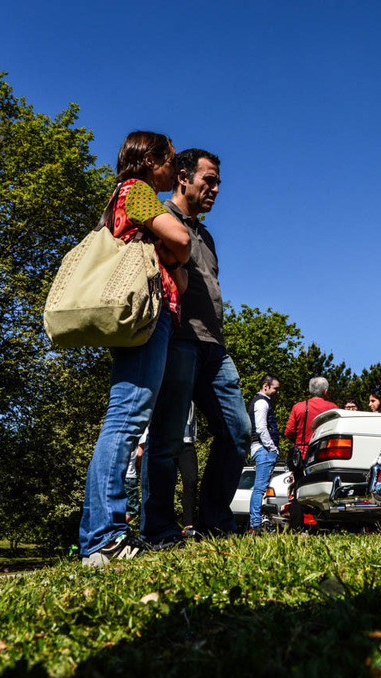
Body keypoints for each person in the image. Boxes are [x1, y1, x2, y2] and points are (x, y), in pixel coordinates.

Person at [78, 131, 191, 566]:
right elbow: (180, 244)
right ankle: (104, 537)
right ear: (149, 160)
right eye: (170, 161)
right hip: (146, 317)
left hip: (149, 316)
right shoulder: (139, 192)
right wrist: (171, 244)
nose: (175, 169)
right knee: (125, 417)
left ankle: (101, 534)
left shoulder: (131, 197)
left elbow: (179, 276)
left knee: (126, 415)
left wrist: (170, 251)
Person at [140, 149, 251, 543]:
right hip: (176, 341)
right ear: (183, 177)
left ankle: (215, 521)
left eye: (218, 182)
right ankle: (159, 528)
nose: (216, 189)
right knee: (168, 438)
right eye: (209, 180)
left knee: (238, 431)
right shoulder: (159, 220)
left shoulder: (205, 235)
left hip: (214, 347)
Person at [247, 375, 281, 532]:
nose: (277, 392)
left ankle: (256, 521)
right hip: (263, 449)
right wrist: (272, 447)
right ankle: (255, 523)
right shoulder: (262, 402)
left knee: (261, 487)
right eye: (276, 388)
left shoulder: (261, 402)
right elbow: (261, 428)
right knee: (260, 488)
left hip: (261, 448)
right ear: (266, 386)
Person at [284, 377, 339, 462]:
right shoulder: (333, 408)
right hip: (324, 453)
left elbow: (288, 432)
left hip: (302, 454)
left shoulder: (298, 407)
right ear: (326, 391)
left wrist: (299, 441)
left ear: (310, 391)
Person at [178, 403, 199, 535]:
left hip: (187, 441)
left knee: (191, 480)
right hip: (168, 439)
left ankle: (188, 524)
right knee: (165, 481)